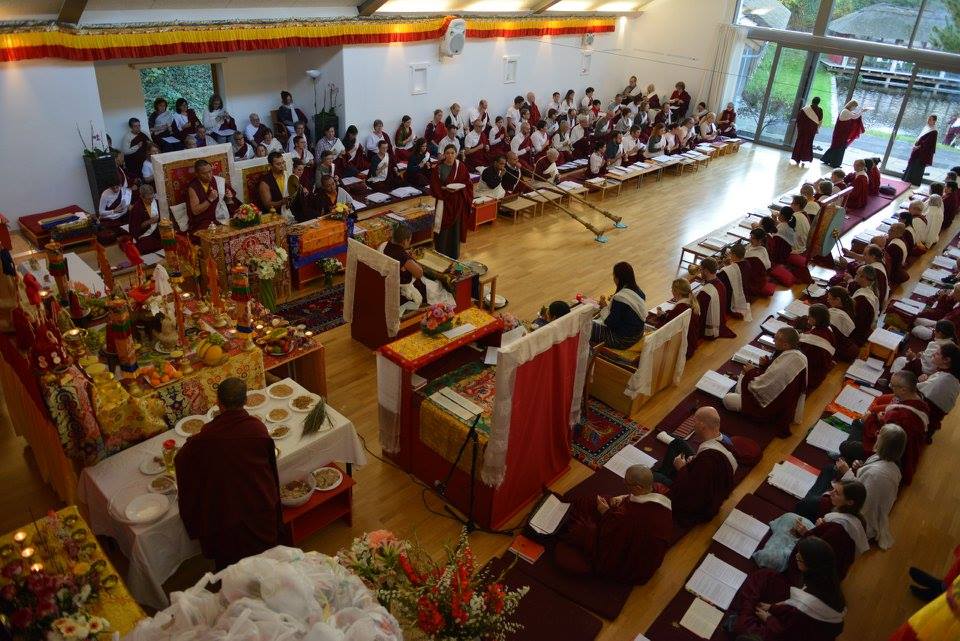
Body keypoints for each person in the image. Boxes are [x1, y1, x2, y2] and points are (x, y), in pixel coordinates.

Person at [175, 377, 283, 570]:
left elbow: (181, 461)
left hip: (225, 516)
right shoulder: (257, 429)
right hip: (259, 508)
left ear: (218, 402)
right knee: (265, 567)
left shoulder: (205, 438)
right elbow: (270, 466)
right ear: (246, 401)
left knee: (233, 572)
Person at [554, 465, 672, 584]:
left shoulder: (631, 518)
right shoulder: (660, 491)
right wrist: (623, 498)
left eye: (626, 482)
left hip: (630, 559)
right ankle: (566, 508)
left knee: (581, 529)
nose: (623, 482)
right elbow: (635, 503)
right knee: (601, 499)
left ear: (638, 487)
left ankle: (558, 525)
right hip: (630, 532)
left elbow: (613, 535)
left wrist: (605, 512)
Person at [728, 537, 846, 640]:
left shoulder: (805, 609)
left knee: (743, 626)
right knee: (766, 575)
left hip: (788, 633)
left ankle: (742, 614)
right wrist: (772, 607)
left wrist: (769, 619)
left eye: (800, 558)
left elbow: (786, 634)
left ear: (810, 565)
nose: (796, 557)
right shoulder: (827, 582)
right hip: (798, 621)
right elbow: (795, 604)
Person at [842, 370, 929, 486]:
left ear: (903, 390)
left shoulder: (901, 416)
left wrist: (870, 420)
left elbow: (883, 438)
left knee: (847, 443)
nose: (890, 387)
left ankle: (848, 459)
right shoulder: (920, 401)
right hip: (898, 443)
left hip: (889, 454)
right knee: (860, 423)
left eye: (892, 386)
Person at [654, 406, 737, 526]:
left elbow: (693, 492)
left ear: (703, 426)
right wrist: (694, 461)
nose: (693, 425)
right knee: (678, 443)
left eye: (695, 422)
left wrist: (681, 468)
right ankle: (665, 474)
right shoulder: (726, 441)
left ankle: (663, 478)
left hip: (697, 506)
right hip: (705, 479)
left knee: (653, 476)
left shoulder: (707, 460)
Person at [723, 327, 808, 437]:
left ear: (786, 345)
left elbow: (761, 387)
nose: (773, 340)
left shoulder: (787, 362)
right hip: (782, 401)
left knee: (728, 400)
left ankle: (740, 391)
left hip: (768, 407)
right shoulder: (798, 356)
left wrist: (751, 372)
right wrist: (765, 365)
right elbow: (773, 376)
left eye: (776, 339)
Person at [786, 480, 869, 582]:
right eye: (833, 489)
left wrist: (805, 532)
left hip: (816, 573)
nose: (831, 493)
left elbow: (817, 552)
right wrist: (822, 527)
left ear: (850, 502)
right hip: (832, 563)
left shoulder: (837, 529)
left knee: (788, 519)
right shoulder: (858, 519)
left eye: (837, 493)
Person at [430, 144, 473, 259]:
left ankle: (454, 255)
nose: (450, 155)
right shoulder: (438, 168)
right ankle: (441, 253)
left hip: (457, 203)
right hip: (443, 203)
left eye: (452, 153)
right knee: (443, 228)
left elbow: (468, 184)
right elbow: (434, 186)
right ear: (444, 154)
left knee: (455, 230)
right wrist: (443, 189)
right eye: (447, 153)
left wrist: (460, 189)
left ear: (456, 154)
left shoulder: (461, 167)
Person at [591, 262, 646, 349]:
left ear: (618, 278)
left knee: (586, 327)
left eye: (614, 276)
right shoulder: (639, 292)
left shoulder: (620, 299)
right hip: (638, 333)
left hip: (623, 340)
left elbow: (611, 324)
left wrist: (604, 307)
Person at [185, 159, 237, 241]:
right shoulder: (193, 187)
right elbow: (195, 211)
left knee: (240, 219)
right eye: (204, 174)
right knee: (207, 235)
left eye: (210, 171)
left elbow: (230, 201)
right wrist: (210, 199)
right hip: (204, 221)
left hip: (222, 215)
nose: (209, 175)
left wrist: (229, 197)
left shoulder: (218, 181)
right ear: (197, 174)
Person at [916, 342, 960, 438]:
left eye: (937, 354)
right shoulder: (954, 378)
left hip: (920, 421)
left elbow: (913, 392)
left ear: (946, 360)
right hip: (929, 420)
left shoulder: (942, 381)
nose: (933, 354)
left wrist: (919, 380)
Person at [383, 224, 427, 307]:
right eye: (409, 240)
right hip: (401, 288)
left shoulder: (387, 245)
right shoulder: (403, 256)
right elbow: (419, 274)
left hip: (390, 278)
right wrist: (412, 259)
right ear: (404, 241)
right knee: (434, 287)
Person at [656, 277, 701, 358]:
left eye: (672, 289)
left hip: (683, 350)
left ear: (677, 292)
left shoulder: (680, 308)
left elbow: (666, 328)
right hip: (691, 345)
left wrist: (660, 317)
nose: (672, 292)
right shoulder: (692, 302)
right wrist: (665, 315)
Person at [797, 304, 836, 392]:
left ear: (816, 319)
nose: (808, 317)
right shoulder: (829, 329)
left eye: (810, 316)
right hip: (822, 367)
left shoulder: (812, 343)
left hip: (812, 376)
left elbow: (802, 358)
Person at [696, 257, 734, 339]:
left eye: (701, 269)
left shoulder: (705, 293)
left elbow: (697, 312)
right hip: (719, 321)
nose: (700, 272)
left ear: (706, 271)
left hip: (708, 330)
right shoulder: (720, 284)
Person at [820, 100, 867, 168]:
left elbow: (854, 115)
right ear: (852, 106)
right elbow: (855, 117)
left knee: (836, 147)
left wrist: (860, 112)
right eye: (854, 107)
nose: (854, 109)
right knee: (839, 148)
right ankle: (835, 163)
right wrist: (862, 111)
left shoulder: (846, 111)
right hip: (841, 134)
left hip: (841, 133)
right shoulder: (846, 111)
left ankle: (828, 160)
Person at [903, 115, 939, 186]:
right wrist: (915, 145)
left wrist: (918, 147)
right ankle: (907, 179)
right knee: (912, 165)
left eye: (930, 119)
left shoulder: (934, 131)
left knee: (918, 167)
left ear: (934, 121)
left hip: (923, 153)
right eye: (928, 119)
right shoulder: (927, 127)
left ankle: (914, 182)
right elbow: (920, 138)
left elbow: (928, 143)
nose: (928, 120)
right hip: (918, 150)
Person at [126, 183, 161, 254]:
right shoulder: (137, 208)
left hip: (158, 229)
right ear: (141, 197)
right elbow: (134, 228)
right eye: (148, 199)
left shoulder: (156, 202)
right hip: (145, 233)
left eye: (152, 197)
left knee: (169, 238)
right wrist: (149, 221)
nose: (151, 200)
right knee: (146, 247)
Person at [791, 97, 823, 165]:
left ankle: (797, 158)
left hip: (802, 129)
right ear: (818, 102)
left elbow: (799, 119)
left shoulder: (805, 109)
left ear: (812, 101)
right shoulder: (820, 110)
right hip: (812, 129)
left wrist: (799, 127)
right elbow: (820, 120)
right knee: (808, 143)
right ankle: (805, 158)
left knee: (799, 142)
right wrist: (817, 129)